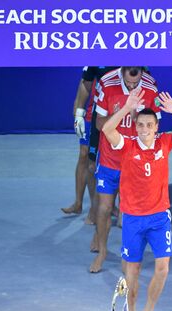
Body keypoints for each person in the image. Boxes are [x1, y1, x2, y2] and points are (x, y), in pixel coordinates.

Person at [102, 89, 172, 311]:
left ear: (156, 127)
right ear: (135, 127)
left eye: (149, 125)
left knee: (163, 269)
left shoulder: (165, 142)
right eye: (141, 125)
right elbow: (106, 130)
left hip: (158, 217)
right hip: (133, 219)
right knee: (131, 274)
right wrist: (126, 108)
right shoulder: (127, 145)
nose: (144, 129)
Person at [89, 66, 160, 273]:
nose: (131, 86)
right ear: (122, 73)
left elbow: (154, 126)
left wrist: (138, 115)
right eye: (128, 83)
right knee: (104, 207)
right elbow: (99, 122)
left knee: (132, 212)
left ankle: (129, 255)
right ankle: (102, 252)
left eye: (134, 83)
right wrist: (124, 111)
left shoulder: (150, 86)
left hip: (135, 161)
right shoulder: (106, 82)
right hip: (110, 158)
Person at [62, 66, 118, 224]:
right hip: (94, 113)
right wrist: (78, 113)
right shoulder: (95, 52)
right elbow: (85, 83)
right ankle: (81, 203)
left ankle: (111, 206)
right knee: (85, 155)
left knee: (115, 159)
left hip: (116, 111)